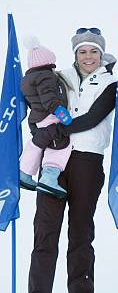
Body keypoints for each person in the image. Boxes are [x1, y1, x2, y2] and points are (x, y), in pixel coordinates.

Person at [22, 28, 117, 293]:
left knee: (80, 231)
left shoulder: (111, 82)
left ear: (101, 55)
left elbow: (93, 117)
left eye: (94, 52)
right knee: (45, 228)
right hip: (54, 158)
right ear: (74, 53)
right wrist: (40, 132)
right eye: (82, 51)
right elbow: (37, 108)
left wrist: (59, 128)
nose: (88, 57)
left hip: (88, 160)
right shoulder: (57, 76)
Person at [19, 37, 72, 198]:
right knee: (60, 144)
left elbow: (33, 100)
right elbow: (48, 97)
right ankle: (49, 178)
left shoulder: (29, 79)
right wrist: (61, 112)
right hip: (51, 115)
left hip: (38, 117)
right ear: (48, 63)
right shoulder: (45, 77)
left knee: (40, 142)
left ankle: (24, 172)